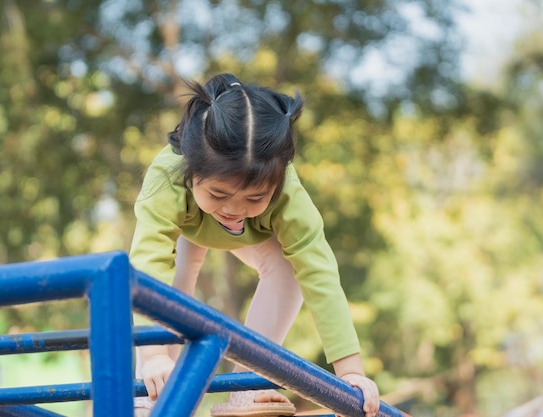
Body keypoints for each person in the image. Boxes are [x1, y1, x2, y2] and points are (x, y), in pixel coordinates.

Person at [129, 73, 380, 417]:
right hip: (191, 225)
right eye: (219, 193)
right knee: (178, 277)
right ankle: (151, 391)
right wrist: (153, 356)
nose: (234, 208)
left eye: (255, 196)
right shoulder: (167, 178)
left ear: (276, 184)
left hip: (255, 237)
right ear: (190, 168)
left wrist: (350, 371)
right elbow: (148, 267)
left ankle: (248, 383)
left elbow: (320, 276)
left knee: (288, 266)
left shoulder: (290, 197)